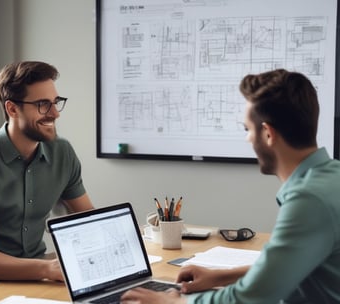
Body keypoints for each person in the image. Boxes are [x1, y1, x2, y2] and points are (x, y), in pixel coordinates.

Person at [121, 69, 340, 304]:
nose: (247, 139)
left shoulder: (308, 200)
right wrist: (222, 276)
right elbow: (290, 265)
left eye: (247, 130)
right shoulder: (331, 177)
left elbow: (250, 299)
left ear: (267, 134)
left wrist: (174, 302)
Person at [0, 61, 94, 302]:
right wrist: (46, 269)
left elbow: (87, 218)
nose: (55, 113)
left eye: (55, 102)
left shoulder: (62, 152)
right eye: (42, 105)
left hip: (35, 268)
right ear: (12, 109)